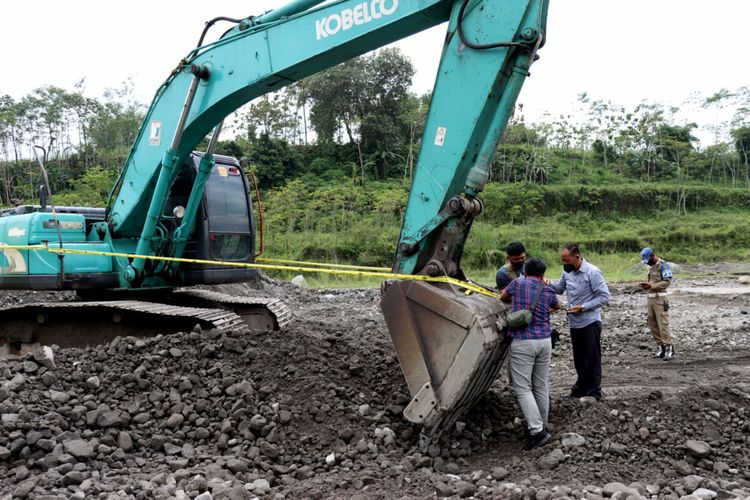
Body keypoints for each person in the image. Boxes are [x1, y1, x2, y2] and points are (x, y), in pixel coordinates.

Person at [500, 257, 559, 450]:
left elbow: (503, 297)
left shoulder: (518, 283)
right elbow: (556, 306)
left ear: (525, 270)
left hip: (524, 341)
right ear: (543, 273)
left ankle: (537, 431)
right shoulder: (548, 288)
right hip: (545, 340)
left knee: (523, 388)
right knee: (540, 386)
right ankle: (541, 425)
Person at [549, 243, 611, 401]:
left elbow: (605, 297)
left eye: (566, 260)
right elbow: (559, 289)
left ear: (577, 257)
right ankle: (581, 388)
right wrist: (547, 283)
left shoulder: (593, 272)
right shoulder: (566, 272)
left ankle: (594, 392)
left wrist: (583, 307)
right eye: (562, 261)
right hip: (574, 323)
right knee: (579, 359)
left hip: (590, 322)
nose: (564, 264)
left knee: (592, 358)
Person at [638, 247, 674, 360]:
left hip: (660, 299)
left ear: (653, 256)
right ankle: (660, 347)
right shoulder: (650, 266)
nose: (647, 262)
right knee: (652, 323)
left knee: (663, 324)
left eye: (648, 260)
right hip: (651, 298)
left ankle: (669, 348)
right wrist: (647, 286)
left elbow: (667, 282)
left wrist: (652, 286)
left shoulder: (663, 265)